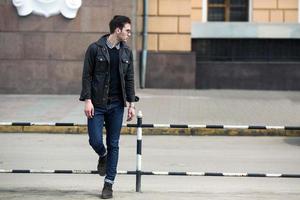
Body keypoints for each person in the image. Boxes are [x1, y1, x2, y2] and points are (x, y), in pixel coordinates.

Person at [79, 15, 136, 199]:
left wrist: (131, 104)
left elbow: (129, 79)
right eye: (127, 30)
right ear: (117, 30)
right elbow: (87, 76)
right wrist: (87, 100)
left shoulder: (127, 53)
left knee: (114, 144)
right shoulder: (95, 49)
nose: (129, 33)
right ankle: (102, 155)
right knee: (95, 140)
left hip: (117, 105)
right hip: (97, 104)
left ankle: (108, 185)